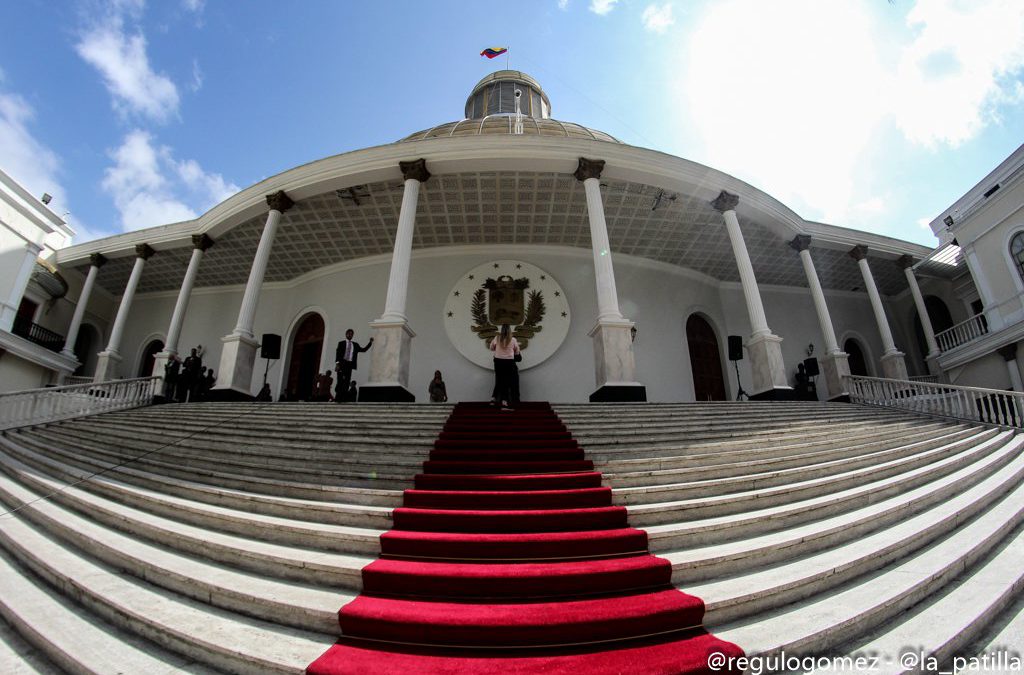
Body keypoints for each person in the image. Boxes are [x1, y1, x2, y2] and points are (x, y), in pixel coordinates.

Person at [335, 329, 372, 402]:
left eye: (351, 334)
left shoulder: (355, 345)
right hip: (342, 364)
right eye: (348, 333)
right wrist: (337, 364)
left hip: (349, 365)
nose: (350, 335)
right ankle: (338, 398)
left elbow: (363, 350)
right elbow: (338, 354)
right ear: (346, 334)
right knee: (340, 381)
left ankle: (344, 398)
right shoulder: (341, 343)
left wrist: (370, 343)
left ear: (352, 335)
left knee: (347, 381)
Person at [489, 324, 520, 410]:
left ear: (501, 330)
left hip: (498, 362)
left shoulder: (497, 338)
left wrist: (498, 350)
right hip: (509, 362)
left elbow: (491, 348)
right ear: (510, 330)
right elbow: (517, 352)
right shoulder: (513, 339)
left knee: (499, 380)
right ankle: (504, 401)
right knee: (506, 381)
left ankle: (496, 398)